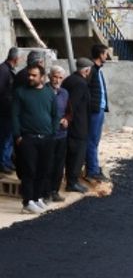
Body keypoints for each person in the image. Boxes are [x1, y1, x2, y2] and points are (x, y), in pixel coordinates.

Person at [12, 64, 57, 214]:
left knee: (43, 170)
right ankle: (27, 202)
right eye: (29, 75)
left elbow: (55, 114)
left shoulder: (49, 92)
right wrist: (18, 135)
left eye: (34, 75)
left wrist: (53, 131)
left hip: (46, 138)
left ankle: (37, 198)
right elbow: (15, 115)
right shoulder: (20, 92)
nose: (30, 77)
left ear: (42, 77)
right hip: (28, 138)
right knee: (29, 171)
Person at [62, 58, 92, 193]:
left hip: (72, 124)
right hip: (78, 125)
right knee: (77, 154)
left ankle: (71, 180)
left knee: (71, 153)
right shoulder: (80, 83)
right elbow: (72, 104)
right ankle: (72, 182)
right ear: (86, 70)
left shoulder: (69, 79)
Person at [45, 66, 72, 202]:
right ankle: (45, 192)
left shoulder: (64, 93)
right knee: (47, 164)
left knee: (59, 164)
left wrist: (66, 119)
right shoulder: (43, 91)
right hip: (47, 135)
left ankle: (54, 191)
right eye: (55, 76)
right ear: (49, 76)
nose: (57, 80)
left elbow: (69, 111)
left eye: (60, 78)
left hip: (62, 134)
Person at [86, 44, 110, 182]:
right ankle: (92, 171)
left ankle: (93, 168)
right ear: (100, 55)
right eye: (105, 53)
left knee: (95, 140)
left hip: (99, 109)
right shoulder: (92, 71)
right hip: (94, 111)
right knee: (92, 140)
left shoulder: (98, 70)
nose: (106, 56)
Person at [0, 47, 22, 174]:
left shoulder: (6, 70)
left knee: (7, 139)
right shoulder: (3, 70)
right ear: (15, 59)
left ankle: (6, 162)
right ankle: (3, 163)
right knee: (5, 138)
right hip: (4, 111)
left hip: (7, 110)